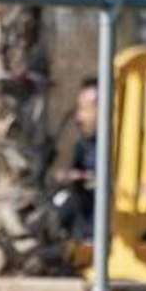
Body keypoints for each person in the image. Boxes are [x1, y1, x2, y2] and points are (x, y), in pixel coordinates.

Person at [51, 78, 99, 241]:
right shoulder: (84, 146)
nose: (78, 118)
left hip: (99, 231)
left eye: (86, 109)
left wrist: (83, 177)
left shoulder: (126, 148)